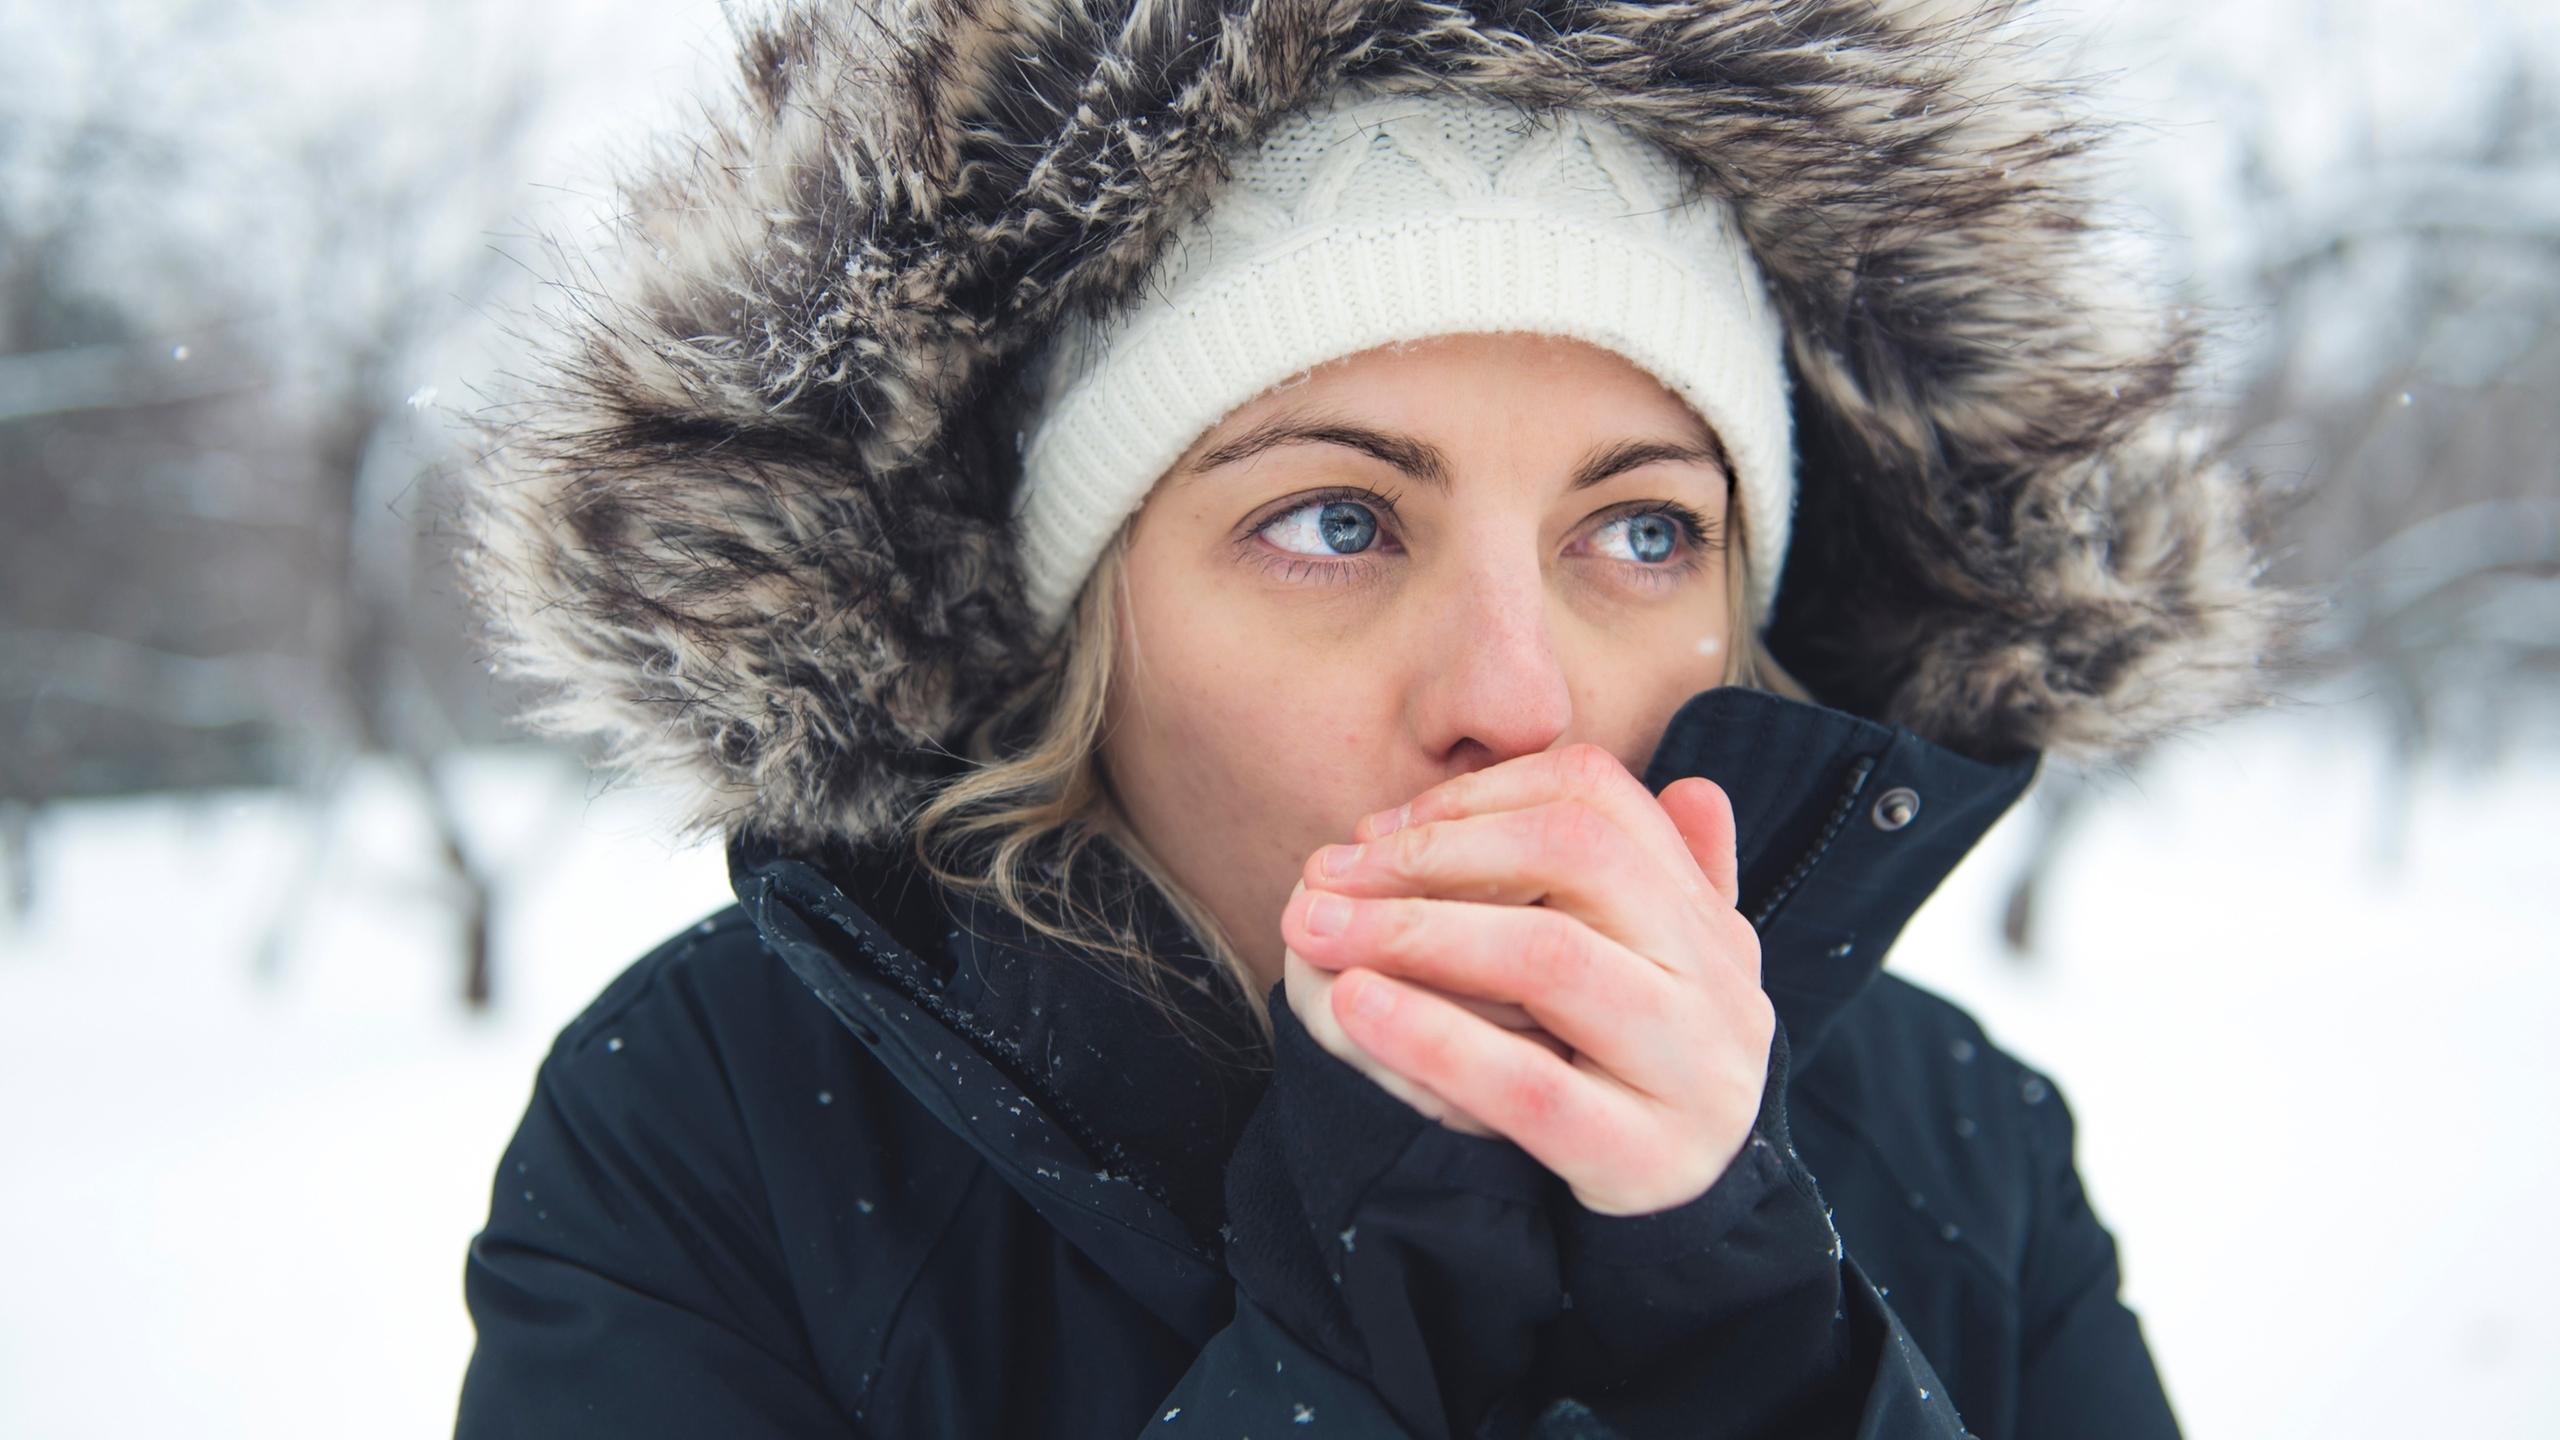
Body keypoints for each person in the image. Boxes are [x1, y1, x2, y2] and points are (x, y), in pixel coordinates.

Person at [449, 2, 2309, 1437]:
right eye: (1336, 523)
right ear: (1087, 620)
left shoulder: (1957, 1132)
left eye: (1642, 530)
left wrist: (1743, 1324)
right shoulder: (726, 1131)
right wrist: (1371, 1302)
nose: (1518, 697)